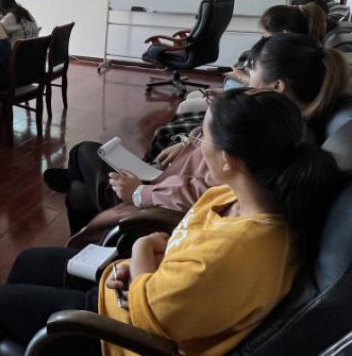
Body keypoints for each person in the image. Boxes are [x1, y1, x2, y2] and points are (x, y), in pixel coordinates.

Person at [0, 89, 342, 356]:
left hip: (119, 334)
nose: (197, 147)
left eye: (203, 140)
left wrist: (141, 251)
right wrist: (143, 264)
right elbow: (182, 251)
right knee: (28, 262)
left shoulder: (237, 252)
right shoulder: (234, 196)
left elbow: (146, 312)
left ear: (229, 160)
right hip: (134, 287)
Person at [45, 33, 349, 238]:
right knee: (78, 190)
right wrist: (187, 145)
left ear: (278, 86)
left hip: (157, 200)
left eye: (252, 68)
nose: (247, 74)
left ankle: (83, 194)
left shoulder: (273, 135)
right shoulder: (280, 121)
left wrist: (139, 193)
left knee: (84, 152)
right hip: (165, 182)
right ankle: (83, 212)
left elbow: (209, 193)